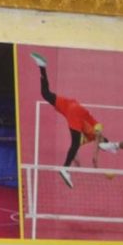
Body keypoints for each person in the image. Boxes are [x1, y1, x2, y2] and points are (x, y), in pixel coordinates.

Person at [30, 52, 106, 187]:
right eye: (102, 145)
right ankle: (65, 169)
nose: (99, 144)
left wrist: (75, 158)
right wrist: (96, 159)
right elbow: (97, 142)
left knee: (45, 94)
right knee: (75, 144)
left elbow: (76, 146)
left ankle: (42, 66)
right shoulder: (97, 132)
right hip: (75, 113)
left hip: (70, 106)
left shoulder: (89, 137)